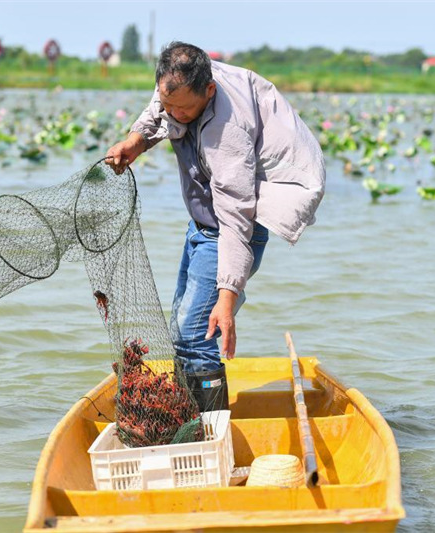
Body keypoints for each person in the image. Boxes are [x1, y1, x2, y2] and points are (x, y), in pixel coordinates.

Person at [106, 42, 325, 411]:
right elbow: (158, 110)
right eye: (168, 102)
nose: (173, 112)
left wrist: (227, 296)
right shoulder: (175, 86)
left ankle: (209, 434)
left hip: (233, 228)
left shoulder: (228, 135)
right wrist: (135, 142)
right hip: (203, 225)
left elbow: (237, 218)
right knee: (180, 330)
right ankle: (190, 419)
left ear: (209, 91)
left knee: (195, 336)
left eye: (183, 108)